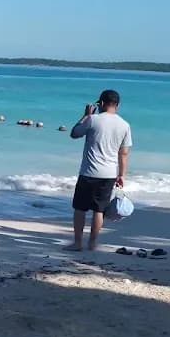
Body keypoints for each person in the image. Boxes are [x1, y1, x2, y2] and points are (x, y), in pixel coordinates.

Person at [65, 89, 132, 251]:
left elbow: (74, 133)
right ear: (117, 105)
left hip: (89, 172)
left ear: (101, 103)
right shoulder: (124, 125)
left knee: (80, 208)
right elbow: (123, 153)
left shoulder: (93, 120)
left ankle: (78, 243)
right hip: (109, 174)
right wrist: (121, 175)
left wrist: (86, 115)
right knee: (99, 210)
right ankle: (93, 243)